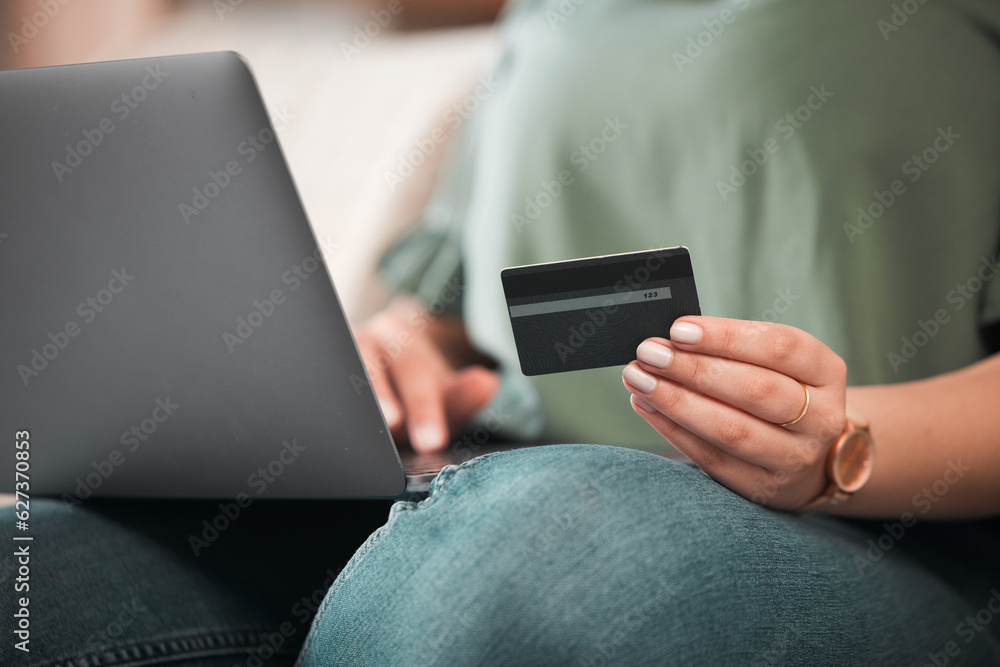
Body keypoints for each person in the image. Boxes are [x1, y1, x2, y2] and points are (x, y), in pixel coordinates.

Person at [4, 0, 1000, 665]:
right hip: (484, 475)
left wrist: (837, 445)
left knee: (499, 560)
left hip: (893, 534)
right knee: (31, 564)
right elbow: (459, 295)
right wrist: (399, 353)